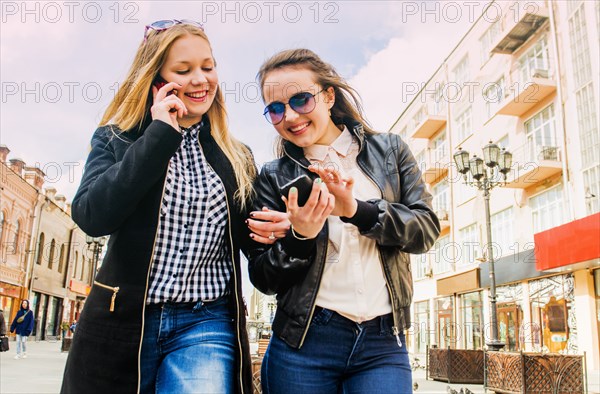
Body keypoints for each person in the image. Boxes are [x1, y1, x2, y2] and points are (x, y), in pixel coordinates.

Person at [61, 20, 287, 394]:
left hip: (206, 322)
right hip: (122, 319)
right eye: (183, 70)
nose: (201, 79)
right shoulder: (115, 138)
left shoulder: (237, 157)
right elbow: (92, 216)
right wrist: (160, 134)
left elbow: (262, 267)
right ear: (156, 78)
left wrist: (289, 235)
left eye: (208, 66)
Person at [247, 48, 440, 393]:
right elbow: (264, 278)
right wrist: (299, 236)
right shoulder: (274, 177)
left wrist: (356, 210)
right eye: (275, 109)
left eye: (301, 100)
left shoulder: (390, 150)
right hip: (304, 342)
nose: (289, 116)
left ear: (329, 95)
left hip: (383, 342)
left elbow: (424, 230)